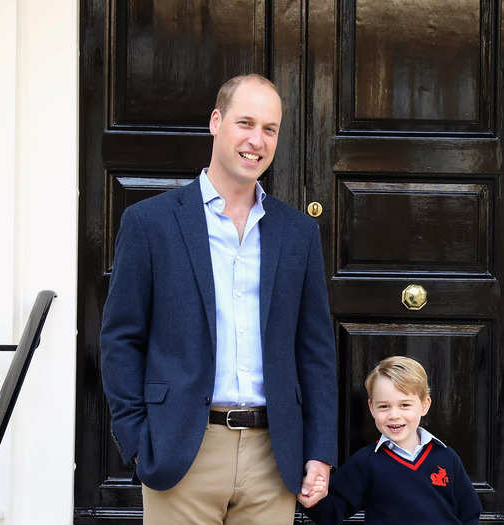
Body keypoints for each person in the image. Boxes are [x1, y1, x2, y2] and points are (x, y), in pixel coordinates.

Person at [100, 74, 337, 525]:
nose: (256, 140)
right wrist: (135, 442)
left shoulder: (298, 233)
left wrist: (320, 452)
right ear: (216, 121)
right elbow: (121, 339)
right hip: (182, 452)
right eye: (245, 123)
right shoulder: (150, 224)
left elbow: (316, 352)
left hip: (274, 456)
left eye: (269, 128)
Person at [303, 356, 481, 525]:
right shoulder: (366, 462)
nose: (394, 415)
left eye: (405, 405)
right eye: (384, 406)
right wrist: (313, 499)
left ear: (424, 405)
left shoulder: (446, 457)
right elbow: (332, 511)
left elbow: (470, 512)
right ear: (372, 408)